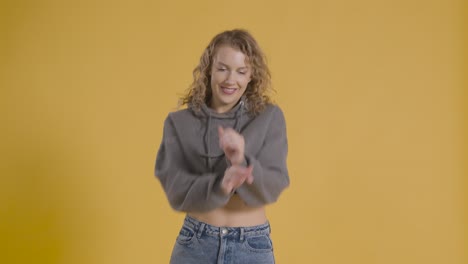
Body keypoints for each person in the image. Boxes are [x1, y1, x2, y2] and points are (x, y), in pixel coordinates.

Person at [155, 29, 289, 264]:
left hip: (251, 246)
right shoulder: (179, 123)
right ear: (209, 71)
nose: (230, 80)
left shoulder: (269, 118)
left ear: (251, 76)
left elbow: (275, 183)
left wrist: (241, 160)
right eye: (222, 68)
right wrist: (221, 184)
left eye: (241, 71)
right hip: (195, 244)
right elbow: (176, 188)